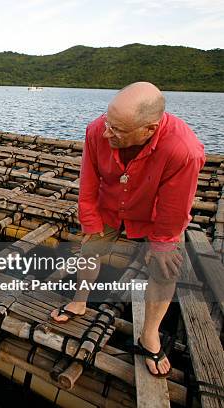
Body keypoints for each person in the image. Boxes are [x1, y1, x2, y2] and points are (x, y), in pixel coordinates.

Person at [49, 82, 205, 377]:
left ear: (148, 129)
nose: (107, 133)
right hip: (109, 205)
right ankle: (80, 301)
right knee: (89, 250)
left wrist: (160, 246)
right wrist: (92, 224)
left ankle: (150, 333)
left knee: (165, 268)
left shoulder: (184, 150)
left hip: (155, 213)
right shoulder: (98, 130)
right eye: (108, 123)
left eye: (117, 130)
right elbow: (88, 183)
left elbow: (174, 207)